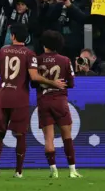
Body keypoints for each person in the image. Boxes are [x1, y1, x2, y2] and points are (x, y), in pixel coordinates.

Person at [0, 24, 66, 178]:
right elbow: (34, 77)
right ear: (27, 38)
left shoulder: (1, 52)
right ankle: (18, 171)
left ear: (12, 36)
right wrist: (53, 83)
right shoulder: (29, 54)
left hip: (4, 96)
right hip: (20, 98)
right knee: (20, 135)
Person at [35, 31, 81, 179]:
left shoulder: (37, 60)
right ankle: (72, 170)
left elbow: (33, 82)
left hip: (43, 101)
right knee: (67, 136)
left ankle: (53, 170)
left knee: (49, 138)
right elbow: (71, 83)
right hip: (60, 101)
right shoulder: (65, 60)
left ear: (44, 44)